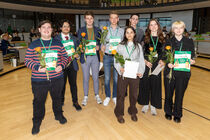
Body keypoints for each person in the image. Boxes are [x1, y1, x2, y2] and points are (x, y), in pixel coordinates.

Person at [24, 20, 68, 135]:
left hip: (57, 78)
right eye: (44, 27)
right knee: (38, 102)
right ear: (39, 30)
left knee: (57, 98)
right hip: (39, 80)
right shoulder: (34, 44)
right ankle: (37, 122)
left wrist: (61, 65)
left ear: (52, 30)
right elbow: (27, 61)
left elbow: (65, 57)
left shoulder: (58, 43)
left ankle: (58, 115)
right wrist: (38, 67)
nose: (46, 29)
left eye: (49, 27)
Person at [163, 21, 195, 123]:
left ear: (184, 29)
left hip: (183, 73)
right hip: (170, 72)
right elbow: (163, 55)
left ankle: (177, 114)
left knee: (179, 94)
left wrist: (192, 61)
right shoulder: (168, 41)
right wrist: (168, 63)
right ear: (173, 30)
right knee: (168, 93)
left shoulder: (189, 41)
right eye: (176, 28)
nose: (178, 30)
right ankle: (168, 111)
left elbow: (192, 56)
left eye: (181, 28)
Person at [114, 26, 145, 123]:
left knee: (134, 95)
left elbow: (141, 60)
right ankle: (119, 113)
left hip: (134, 74)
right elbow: (116, 59)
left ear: (134, 34)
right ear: (125, 34)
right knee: (121, 94)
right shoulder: (120, 45)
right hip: (123, 73)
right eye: (127, 32)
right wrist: (120, 68)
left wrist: (141, 71)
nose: (129, 34)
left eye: (131, 32)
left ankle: (132, 111)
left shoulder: (138, 46)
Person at [137, 19, 165, 115]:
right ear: (149, 27)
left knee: (155, 85)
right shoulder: (144, 38)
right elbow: (140, 52)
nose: (153, 27)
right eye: (151, 25)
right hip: (146, 63)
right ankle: (145, 104)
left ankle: (153, 105)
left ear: (158, 26)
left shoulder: (163, 39)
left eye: (155, 25)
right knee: (145, 84)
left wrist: (162, 61)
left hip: (157, 65)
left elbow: (164, 53)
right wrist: (144, 61)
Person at [55, 19, 82, 111]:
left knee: (73, 85)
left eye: (68, 26)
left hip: (72, 65)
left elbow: (78, 50)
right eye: (64, 26)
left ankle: (75, 102)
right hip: (61, 66)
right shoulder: (56, 39)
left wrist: (78, 55)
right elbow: (55, 53)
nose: (66, 28)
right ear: (60, 28)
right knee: (61, 85)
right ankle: (61, 101)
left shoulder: (75, 39)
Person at [77, 11, 102, 106]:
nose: (89, 20)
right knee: (86, 78)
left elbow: (100, 42)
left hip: (95, 57)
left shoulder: (98, 30)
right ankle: (85, 96)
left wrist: (98, 46)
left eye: (91, 18)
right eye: (87, 18)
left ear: (93, 19)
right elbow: (79, 43)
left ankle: (97, 95)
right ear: (84, 19)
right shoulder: (81, 30)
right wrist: (81, 48)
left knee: (96, 77)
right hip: (85, 57)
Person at [101, 11, 124, 106]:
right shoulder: (104, 30)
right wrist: (102, 47)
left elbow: (123, 43)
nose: (114, 20)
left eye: (115, 18)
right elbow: (103, 42)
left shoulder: (122, 31)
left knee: (115, 79)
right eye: (112, 17)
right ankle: (107, 96)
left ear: (118, 19)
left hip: (117, 57)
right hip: (107, 56)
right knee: (106, 78)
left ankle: (114, 96)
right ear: (109, 19)